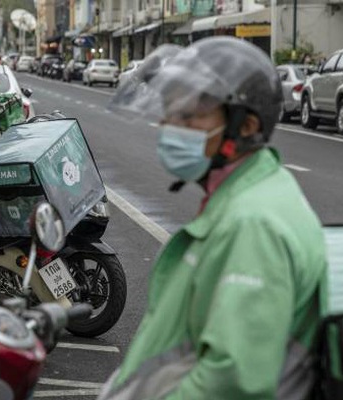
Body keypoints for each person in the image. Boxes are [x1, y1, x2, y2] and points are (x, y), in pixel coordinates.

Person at [100, 37, 327, 399]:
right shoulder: (247, 195)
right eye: (170, 112)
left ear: (246, 126)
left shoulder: (253, 224)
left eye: (189, 115)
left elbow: (234, 381)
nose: (169, 126)